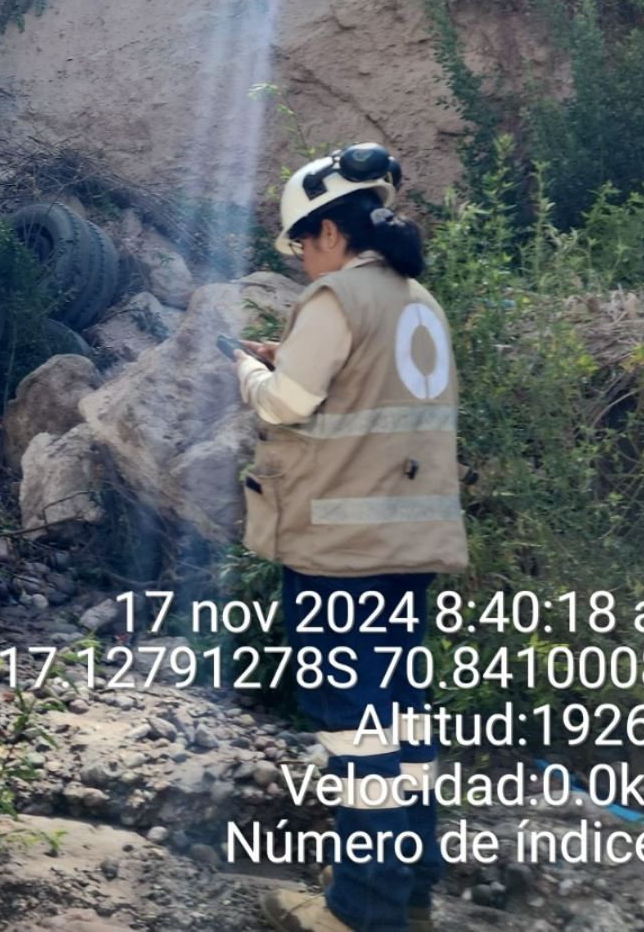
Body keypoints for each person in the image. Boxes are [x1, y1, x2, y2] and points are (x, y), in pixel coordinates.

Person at [232, 144, 467, 932]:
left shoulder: (336, 297)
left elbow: (286, 406)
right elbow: (366, 393)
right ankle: (411, 894)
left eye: (302, 242)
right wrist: (288, 361)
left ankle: (358, 915)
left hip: (340, 562)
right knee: (405, 724)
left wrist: (251, 374)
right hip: (406, 554)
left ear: (330, 232)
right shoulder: (419, 302)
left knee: (359, 735)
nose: (302, 259)